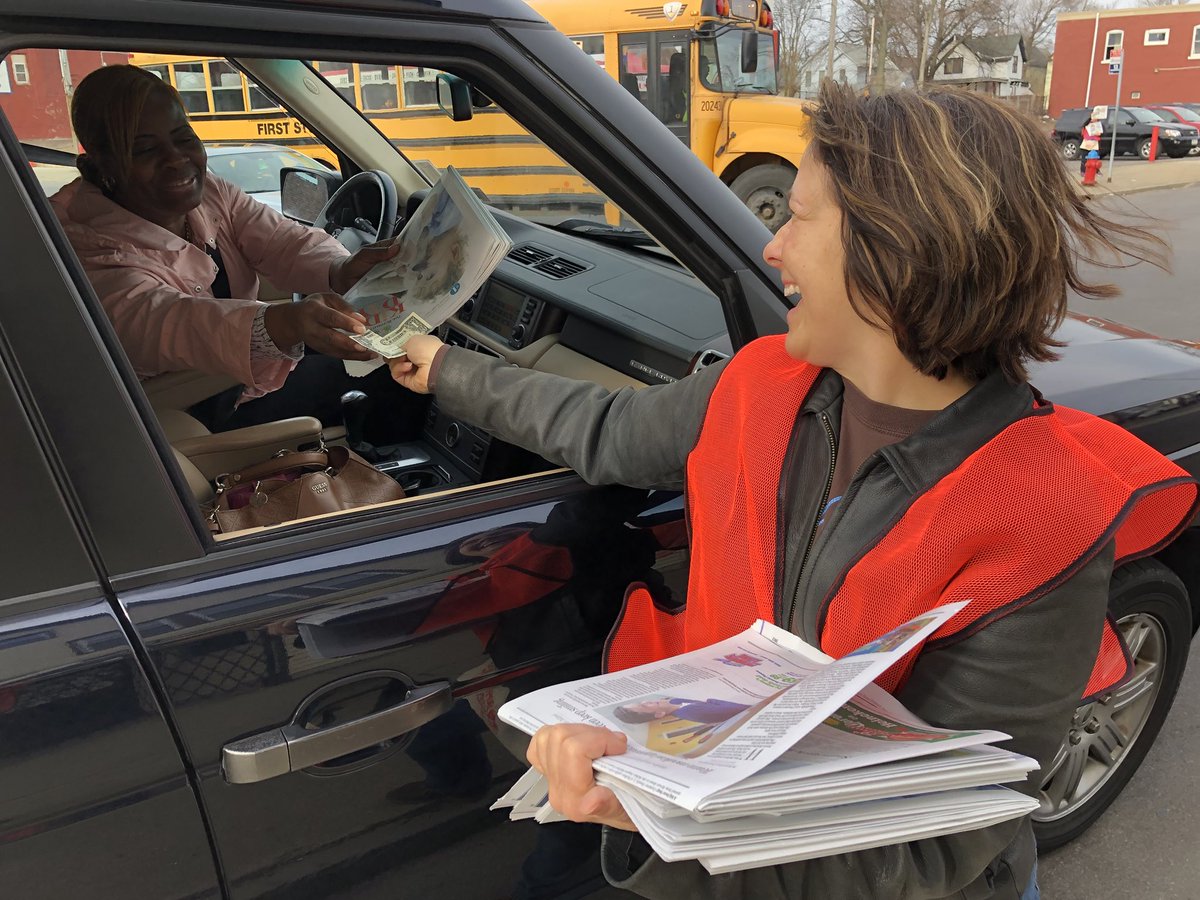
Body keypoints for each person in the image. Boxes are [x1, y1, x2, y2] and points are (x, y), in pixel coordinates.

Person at [388, 83, 1198, 899]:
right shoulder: (759, 384)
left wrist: (657, 823)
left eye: (800, 216)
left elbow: (925, 855)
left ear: (898, 251)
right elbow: (607, 429)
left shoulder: (1041, 516)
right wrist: (448, 370)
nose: (773, 248)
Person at [51, 64, 403, 432]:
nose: (176, 158)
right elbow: (173, 322)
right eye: (144, 150)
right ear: (100, 166)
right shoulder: (82, 242)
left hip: (240, 380)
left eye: (183, 138)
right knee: (383, 377)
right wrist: (288, 321)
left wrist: (340, 268)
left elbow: (280, 240)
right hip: (180, 416)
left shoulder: (211, 193)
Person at [1080, 109, 1104, 175]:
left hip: (1095, 143)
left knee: (1095, 157)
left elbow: (1100, 133)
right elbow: (1083, 133)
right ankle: (1083, 171)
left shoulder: (1099, 124)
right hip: (1086, 142)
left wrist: (1098, 133)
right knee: (1084, 158)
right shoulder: (1087, 124)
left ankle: (1096, 170)